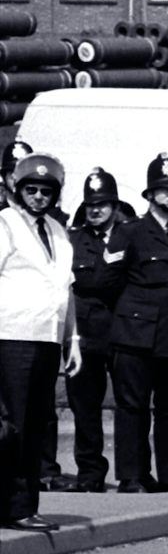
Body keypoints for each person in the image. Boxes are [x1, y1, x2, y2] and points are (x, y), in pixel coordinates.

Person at [104, 154, 168, 494]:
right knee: (132, 405)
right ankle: (132, 475)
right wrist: (132, 314)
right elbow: (110, 282)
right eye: (163, 190)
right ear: (149, 196)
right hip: (136, 332)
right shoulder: (130, 232)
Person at [0, 153, 80, 530]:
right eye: (31, 189)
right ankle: (12, 507)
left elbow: (66, 289)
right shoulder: (6, 224)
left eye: (46, 191)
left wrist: (73, 339)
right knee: (12, 425)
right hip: (11, 337)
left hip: (47, 338)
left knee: (36, 425)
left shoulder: (59, 232)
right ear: (18, 190)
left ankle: (25, 505)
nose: (38, 197)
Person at [65, 169, 131, 493]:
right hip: (86, 334)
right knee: (84, 406)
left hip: (122, 331)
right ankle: (90, 473)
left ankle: (131, 474)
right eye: (91, 204)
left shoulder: (128, 236)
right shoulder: (73, 239)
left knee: (128, 405)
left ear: (115, 205)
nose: (96, 210)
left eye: (103, 204)